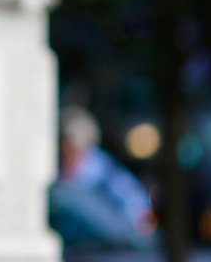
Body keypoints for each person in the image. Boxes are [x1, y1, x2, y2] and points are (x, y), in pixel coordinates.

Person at [50, 106, 158, 251]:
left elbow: (134, 200)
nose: (67, 153)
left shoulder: (101, 169)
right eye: (64, 147)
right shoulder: (54, 171)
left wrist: (139, 227)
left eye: (72, 147)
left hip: (106, 245)